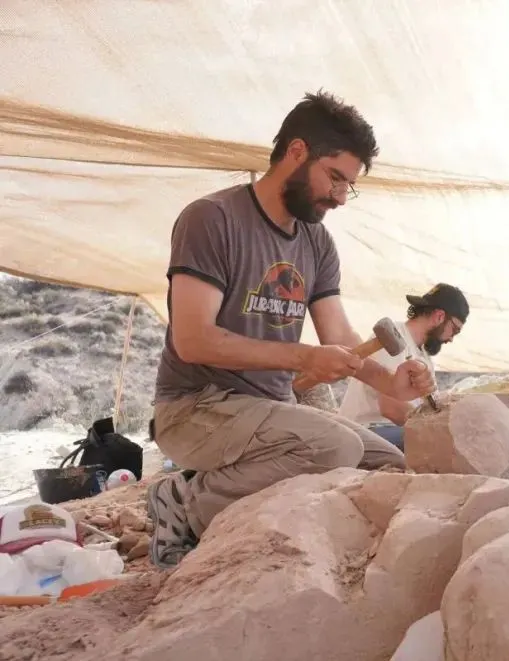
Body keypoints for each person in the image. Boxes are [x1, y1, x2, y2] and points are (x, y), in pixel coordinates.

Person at [147, 91, 436, 569]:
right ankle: (183, 501)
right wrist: (302, 357)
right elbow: (193, 340)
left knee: (386, 465)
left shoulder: (316, 242)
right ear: (297, 152)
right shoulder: (212, 219)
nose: (340, 197)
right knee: (335, 446)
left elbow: (339, 337)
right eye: (335, 178)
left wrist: (391, 382)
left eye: (349, 186)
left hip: (272, 409)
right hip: (194, 407)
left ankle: (265, 519)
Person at [337, 283, 469, 450]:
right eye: (455, 330)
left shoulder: (424, 358)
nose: (451, 339)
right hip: (363, 431)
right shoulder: (393, 336)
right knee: (437, 443)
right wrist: (435, 429)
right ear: (439, 316)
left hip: (388, 432)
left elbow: (427, 409)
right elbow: (391, 408)